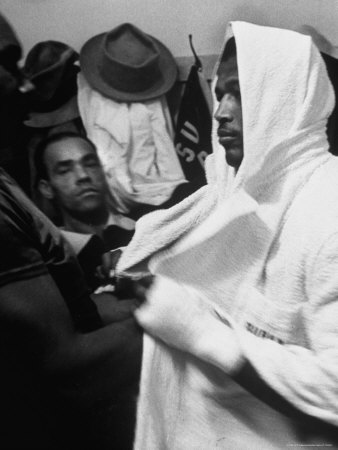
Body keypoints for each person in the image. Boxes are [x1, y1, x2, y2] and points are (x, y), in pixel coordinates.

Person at [116, 21, 338, 448]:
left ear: (286, 99)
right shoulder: (233, 189)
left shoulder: (327, 214)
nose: (221, 111)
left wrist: (203, 333)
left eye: (241, 93)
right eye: (221, 93)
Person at [35, 131, 135, 290]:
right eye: (65, 170)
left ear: (103, 172)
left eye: (90, 164)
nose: (83, 176)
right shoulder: (50, 260)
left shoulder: (145, 228)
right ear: (47, 188)